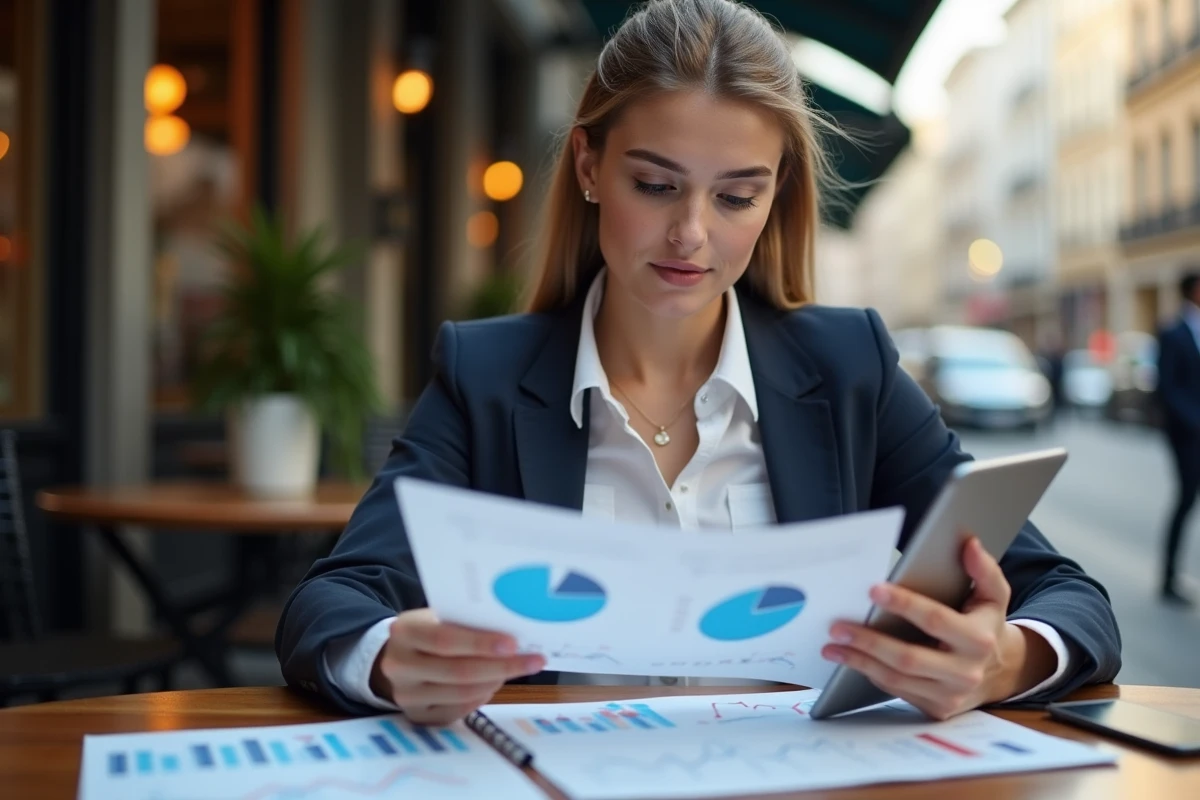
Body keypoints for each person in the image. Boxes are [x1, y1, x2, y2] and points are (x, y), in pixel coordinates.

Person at [276, 0, 1120, 724]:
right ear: (589, 166)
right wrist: (389, 657)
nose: (690, 234)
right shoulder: (486, 377)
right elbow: (332, 601)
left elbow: (1068, 597)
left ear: (775, 195)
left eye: (736, 196)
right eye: (655, 185)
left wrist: (1002, 660)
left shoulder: (848, 370)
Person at [1157, 271, 1200, 607]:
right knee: (1186, 499)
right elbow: (1168, 388)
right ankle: (1169, 577)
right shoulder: (1173, 333)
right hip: (1188, 435)